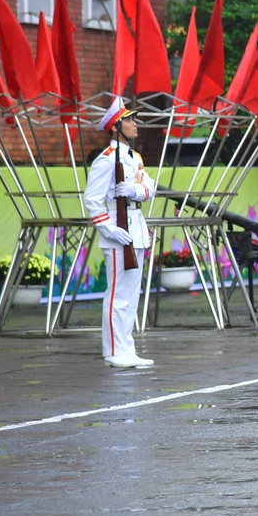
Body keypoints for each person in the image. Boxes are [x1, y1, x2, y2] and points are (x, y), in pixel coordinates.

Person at [84, 98, 157, 368]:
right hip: (118, 230)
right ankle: (114, 351)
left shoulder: (134, 158)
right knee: (117, 295)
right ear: (115, 127)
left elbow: (149, 187)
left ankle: (127, 349)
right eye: (128, 120)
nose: (134, 124)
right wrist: (110, 229)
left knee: (131, 295)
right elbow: (92, 200)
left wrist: (134, 190)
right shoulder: (106, 160)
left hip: (135, 227)